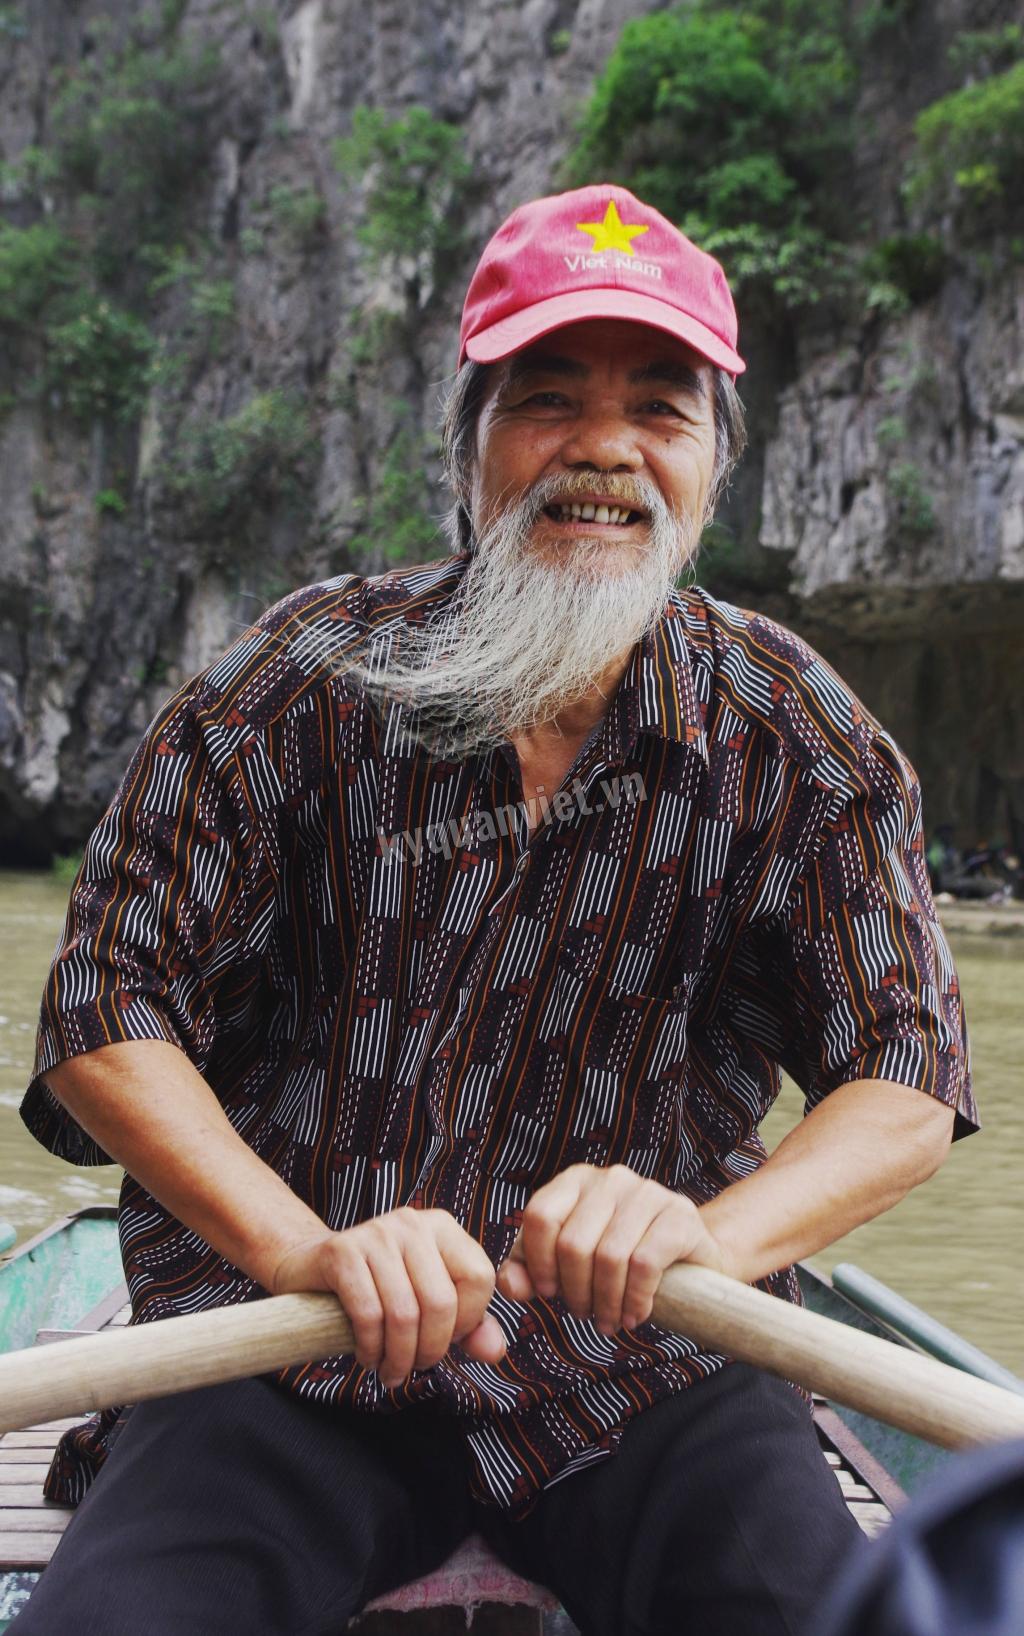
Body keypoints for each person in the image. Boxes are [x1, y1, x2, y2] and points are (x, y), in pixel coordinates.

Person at [12, 184, 975, 1636]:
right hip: (300, 1359)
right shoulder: (295, 683)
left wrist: (709, 1241)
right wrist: (300, 1248)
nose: (604, 448)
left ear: (717, 459)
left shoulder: (796, 733)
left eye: (661, 406)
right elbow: (106, 1009)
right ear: (467, 446)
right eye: (547, 399)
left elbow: (907, 1069)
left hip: (646, 1373)